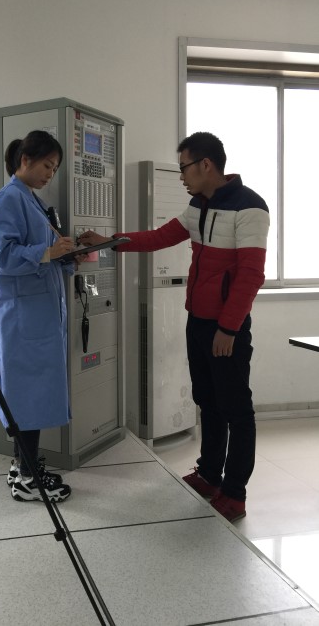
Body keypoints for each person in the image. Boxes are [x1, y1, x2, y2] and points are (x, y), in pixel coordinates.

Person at [79, 131, 269, 522]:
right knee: (207, 401)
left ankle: (235, 493)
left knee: (236, 409)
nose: (181, 175)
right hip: (198, 321)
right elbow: (159, 237)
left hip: (226, 328)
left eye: (184, 167)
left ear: (206, 165)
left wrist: (228, 329)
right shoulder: (198, 206)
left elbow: (251, 276)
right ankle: (209, 474)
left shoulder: (250, 207)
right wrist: (108, 241)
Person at [0, 129, 79, 503]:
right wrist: (49, 252)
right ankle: (27, 478)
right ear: (25, 160)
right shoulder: (8, 199)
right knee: (27, 397)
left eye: (54, 169)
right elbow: (4, 257)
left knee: (30, 396)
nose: (49, 175)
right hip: (23, 317)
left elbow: (44, 252)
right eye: (47, 166)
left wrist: (67, 253)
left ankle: (21, 466)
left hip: (38, 314)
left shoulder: (33, 202)